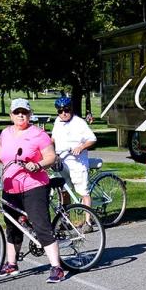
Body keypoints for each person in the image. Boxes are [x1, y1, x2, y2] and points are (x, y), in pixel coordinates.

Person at [0, 98, 64, 283]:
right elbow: (0, 154)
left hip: (34, 186)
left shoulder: (38, 134)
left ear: (30, 114)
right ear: (11, 115)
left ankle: (56, 267)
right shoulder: (6, 133)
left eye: (24, 112)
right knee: (12, 226)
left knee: (41, 225)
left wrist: (38, 164)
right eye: (17, 112)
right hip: (10, 186)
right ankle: (11, 264)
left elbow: (50, 156)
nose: (20, 115)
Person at [51, 96, 97, 233]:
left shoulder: (79, 123)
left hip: (77, 162)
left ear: (71, 109)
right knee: (64, 190)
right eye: (60, 111)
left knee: (83, 191)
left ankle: (88, 221)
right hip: (62, 161)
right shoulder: (57, 122)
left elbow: (92, 139)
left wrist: (81, 147)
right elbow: (53, 138)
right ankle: (65, 221)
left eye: (66, 110)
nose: (63, 113)